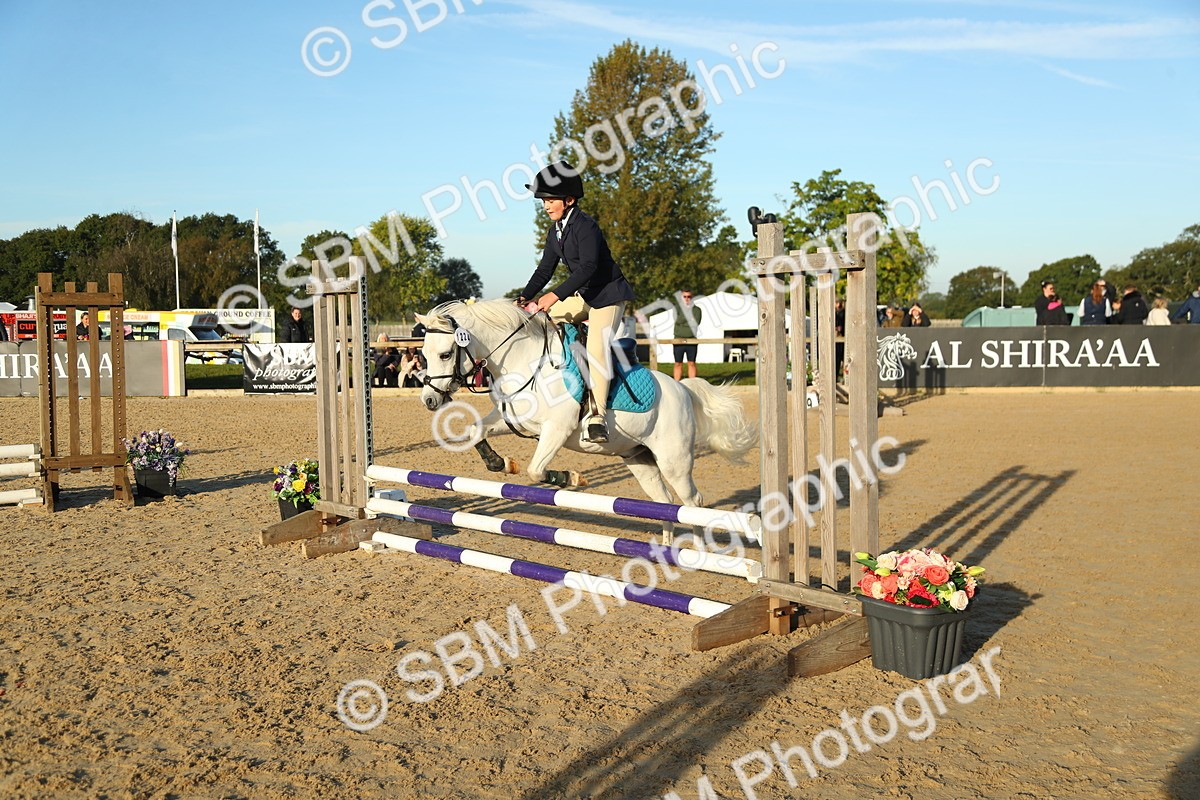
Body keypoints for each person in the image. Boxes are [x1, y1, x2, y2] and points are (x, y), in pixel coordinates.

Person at [517, 161, 635, 444]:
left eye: (550, 200)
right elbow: (544, 270)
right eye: (543, 200)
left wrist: (554, 295)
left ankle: (598, 415)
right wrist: (524, 296)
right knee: (542, 320)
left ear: (569, 200)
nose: (546, 206)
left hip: (608, 296)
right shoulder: (555, 230)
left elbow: (589, 268)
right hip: (586, 297)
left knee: (596, 347)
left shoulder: (586, 226)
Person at [673, 290, 701, 381]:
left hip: (692, 340)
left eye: (689, 296)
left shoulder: (697, 310)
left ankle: (693, 384)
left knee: (691, 363)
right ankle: (677, 383)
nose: (687, 299)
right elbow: (677, 321)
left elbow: (696, 322)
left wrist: (683, 320)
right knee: (678, 363)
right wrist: (689, 318)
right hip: (678, 339)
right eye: (684, 296)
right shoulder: (677, 308)